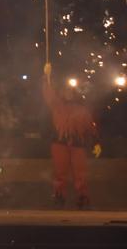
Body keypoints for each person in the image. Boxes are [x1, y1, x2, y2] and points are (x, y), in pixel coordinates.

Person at [42, 64, 100, 209]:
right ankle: (59, 196)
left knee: (80, 173)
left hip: (77, 144)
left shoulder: (82, 109)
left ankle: (82, 197)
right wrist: (46, 76)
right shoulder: (57, 105)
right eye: (65, 91)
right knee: (60, 173)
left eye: (70, 91)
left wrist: (96, 142)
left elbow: (91, 127)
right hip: (60, 143)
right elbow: (48, 93)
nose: (68, 93)